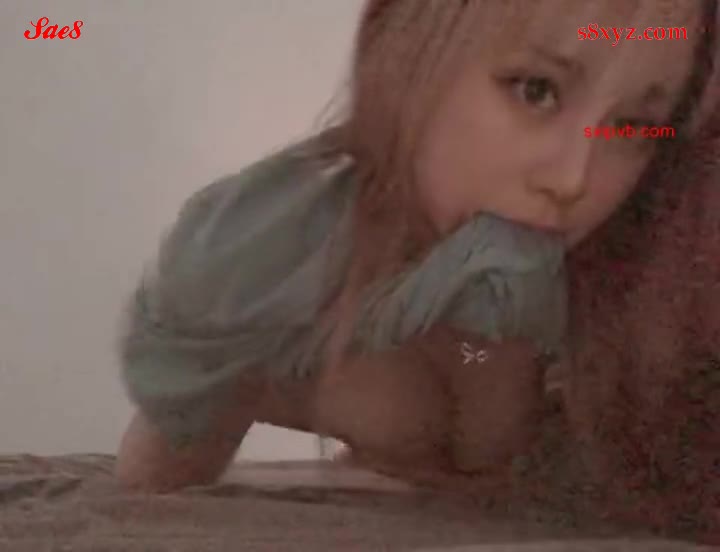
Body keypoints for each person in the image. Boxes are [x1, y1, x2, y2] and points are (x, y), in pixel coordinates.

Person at [114, 0, 718, 509]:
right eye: (536, 90)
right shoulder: (262, 259)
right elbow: (150, 490)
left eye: (634, 126)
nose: (572, 179)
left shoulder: (657, 271)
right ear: (403, 51)